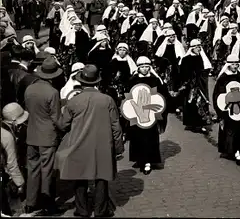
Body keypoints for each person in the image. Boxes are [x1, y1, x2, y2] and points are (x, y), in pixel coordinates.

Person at [56, 64, 123, 217]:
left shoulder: (74, 101)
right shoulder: (107, 100)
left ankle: (82, 209)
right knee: (102, 177)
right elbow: (116, 126)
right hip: (103, 145)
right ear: (97, 82)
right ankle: (101, 210)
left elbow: (63, 125)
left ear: (81, 82)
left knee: (79, 177)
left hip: (79, 143)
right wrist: (118, 147)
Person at [24, 57, 64, 215]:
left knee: (32, 169)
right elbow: (56, 118)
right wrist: (65, 128)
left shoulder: (30, 88)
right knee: (47, 171)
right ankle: (48, 203)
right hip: (47, 136)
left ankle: (30, 202)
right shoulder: (52, 92)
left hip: (32, 133)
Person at [214, 54, 240, 166]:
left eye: (237, 64)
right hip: (228, 111)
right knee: (230, 130)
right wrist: (220, 113)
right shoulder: (223, 79)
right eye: (232, 64)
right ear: (228, 65)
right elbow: (218, 96)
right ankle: (234, 151)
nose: (235, 66)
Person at [127, 57, 164, 175]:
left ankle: (148, 161)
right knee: (138, 137)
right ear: (138, 68)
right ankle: (140, 158)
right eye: (142, 67)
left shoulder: (155, 80)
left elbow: (161, 96)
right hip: (137, 113)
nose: (144, 69)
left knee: (149, 137)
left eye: (146, 67)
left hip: (151, 114)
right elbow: (128, 96)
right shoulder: (133, 80)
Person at [179, 39, 212, 134]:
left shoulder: (202, 58)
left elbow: (205, 70)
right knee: (191, 104)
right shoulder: (186, 59)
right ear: (192, 48)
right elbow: (183, 72)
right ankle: (193, 123)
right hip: (191, 86)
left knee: (202, 103)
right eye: (196, 47)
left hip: (200, 85)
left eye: (199, 47)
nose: (198, 49)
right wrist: (190, 81)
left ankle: (202, 124)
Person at [1, 104, 28, 217]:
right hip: (4, 176)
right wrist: (20, 183)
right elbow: (11, 164)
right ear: (14, 121)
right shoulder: (7, 136)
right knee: (15, 207)